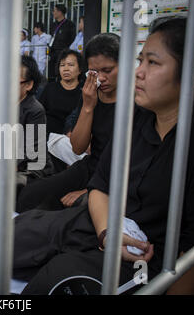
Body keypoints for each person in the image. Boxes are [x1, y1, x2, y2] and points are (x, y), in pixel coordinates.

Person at [20, 16, 194, 295]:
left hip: (143, 256)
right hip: (104, 209)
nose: (140, 72)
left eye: (153, 62)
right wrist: (108, 233)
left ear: (191, 78)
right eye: (142, 61)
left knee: (56, 272)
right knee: (28, 220)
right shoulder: (136, 112)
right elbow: (91, 166)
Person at [17, 34, 120, 213]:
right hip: (90, 167)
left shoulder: (138, 100)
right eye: (95, 72)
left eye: (108, 70)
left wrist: (90, 190)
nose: (101, 78)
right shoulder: (90, 93)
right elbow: (78, 147)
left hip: (115, 176)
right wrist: (88, 106)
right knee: (28, 197)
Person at [16, 55, 52, 193]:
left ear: (28, 85)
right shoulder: (1, 105)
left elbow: (30, 151)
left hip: (32, 170)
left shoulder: (35, 110)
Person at [48, 5, 76, 82]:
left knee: (61, 74)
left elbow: (72, 39)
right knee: (51, 75)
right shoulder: (53, 25)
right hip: (53, 53)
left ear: (60, 12)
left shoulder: (69, 24)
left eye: (54, 10)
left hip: (63, 53)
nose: (53, 13)